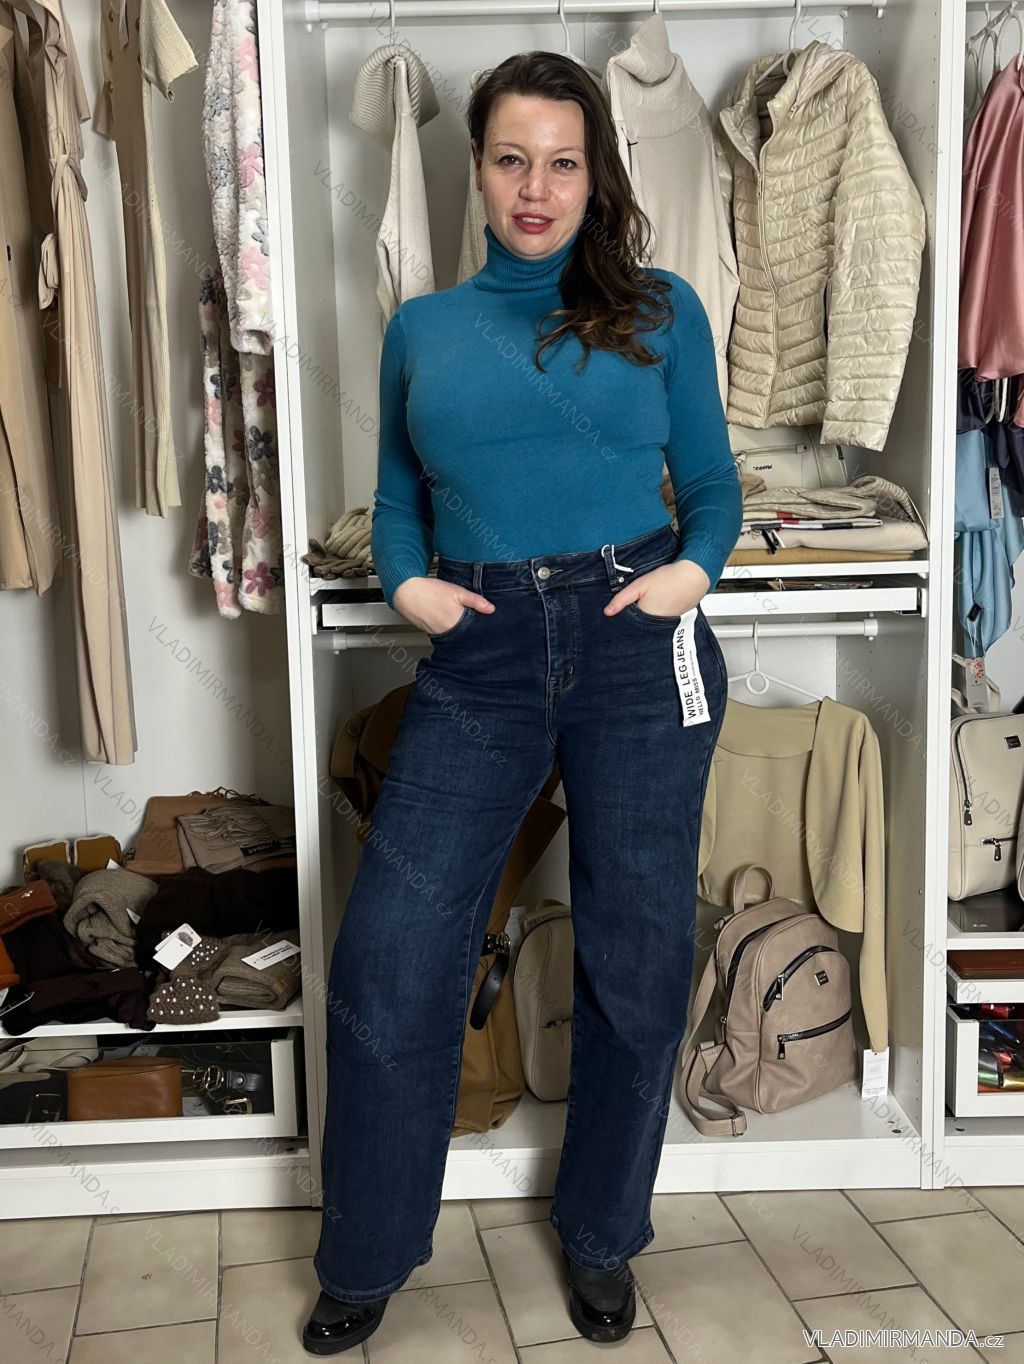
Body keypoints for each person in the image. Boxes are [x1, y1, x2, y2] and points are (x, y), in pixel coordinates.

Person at [302, 49, 741, 1357]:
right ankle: (368, 1253)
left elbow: (713, 486)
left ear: (596, 174)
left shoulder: (660, 309)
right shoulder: (423, 328)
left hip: (634, 639)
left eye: (562, 161)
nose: (535, 187)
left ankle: (602, 1235)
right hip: (481, 651)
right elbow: (395, 497)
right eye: (510, 159)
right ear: (478, 170)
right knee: (390, 956)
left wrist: (688, 577)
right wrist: (409, 587)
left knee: (637, 958)